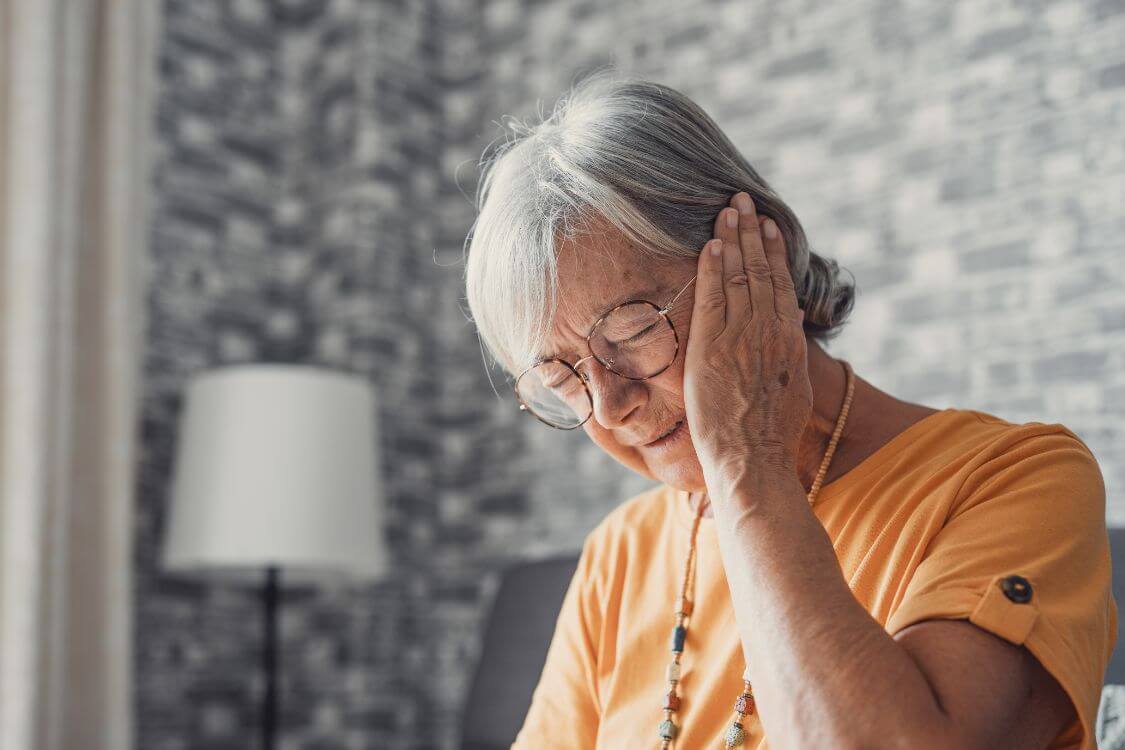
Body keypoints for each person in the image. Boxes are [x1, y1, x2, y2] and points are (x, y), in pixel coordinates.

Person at [462, 69, 1116, 749]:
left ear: (759, 260)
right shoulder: (618, 555)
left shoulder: (1014, 478)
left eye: (634, 332)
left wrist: (748, 461)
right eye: (560, 378)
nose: (611, 403)